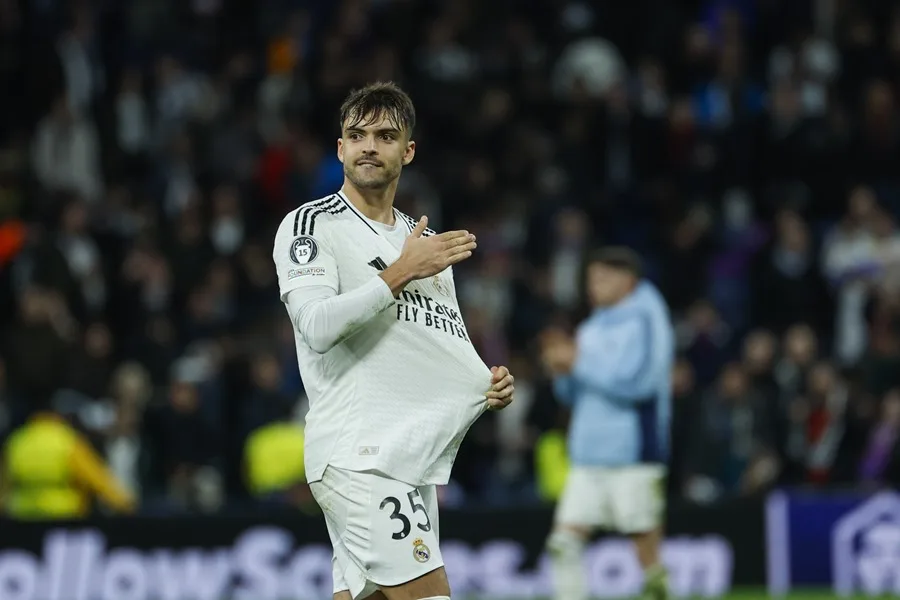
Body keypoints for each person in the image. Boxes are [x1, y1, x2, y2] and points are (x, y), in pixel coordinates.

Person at [271, 81, 515, 600]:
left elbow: (437, 338)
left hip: (409, 459)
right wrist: (400, 271)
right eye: (357, 135)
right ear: (340, 148)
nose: (369, 147)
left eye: (385, 136)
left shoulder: (424, 244)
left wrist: (484, 381)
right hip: (360, 456)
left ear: (408, 152)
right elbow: (315, 327)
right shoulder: (311, 225)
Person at [540, 247, 674, 600]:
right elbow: (573, 396)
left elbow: (641, 385)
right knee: (563, 544)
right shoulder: (591, 327)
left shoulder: (647, 319)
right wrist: (561, 370)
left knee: (645, 551)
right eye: (590, 279)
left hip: (633, 451)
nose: (593, 286)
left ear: (627, 281)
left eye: (602, 278)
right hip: (587, 454)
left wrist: (578, 363)